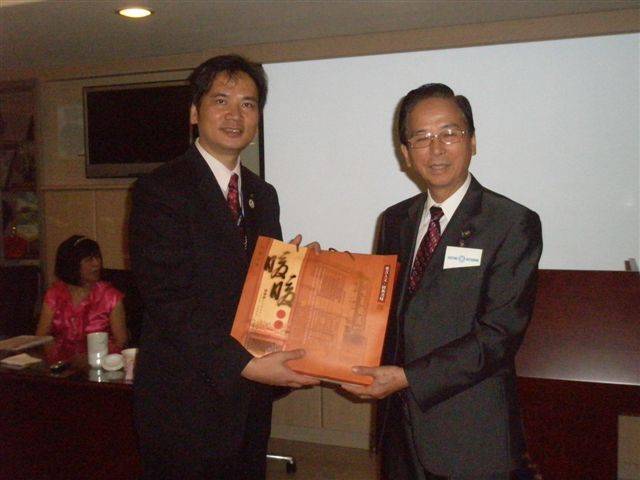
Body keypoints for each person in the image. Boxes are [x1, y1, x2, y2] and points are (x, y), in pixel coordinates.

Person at [128, 54, 318, 480]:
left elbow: (257, 289)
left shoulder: (262, 194)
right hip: (185, 399)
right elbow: (169, 299)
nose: (236, 115)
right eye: (221, 101)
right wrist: (244, 365)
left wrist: (293, 270)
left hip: (249, 398)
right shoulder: (160, 189)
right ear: (195, 113)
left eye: (248, 104)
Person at [342, 83, 543, 479]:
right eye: (421, 138)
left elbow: (499, 335)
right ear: (405, 153)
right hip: (399, 429)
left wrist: (407, 378)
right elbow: (381, 309)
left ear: (472, 142)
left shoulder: (511, 222)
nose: (436, 149)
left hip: (470, 432)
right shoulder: (395, 220)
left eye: (449, 133)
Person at [35, 235, 128, 361]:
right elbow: (41, 337)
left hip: (99, 363)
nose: (97, 264)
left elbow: (121, 342)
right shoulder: (54, 294)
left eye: (97, 257)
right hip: (61, 364)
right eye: (89, 260)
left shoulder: (110, 297)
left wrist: (88, 359)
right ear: (72, 264)